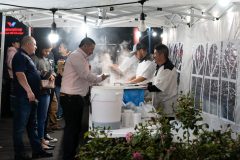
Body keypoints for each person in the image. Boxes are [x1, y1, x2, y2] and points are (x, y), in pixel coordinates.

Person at [60, 37, 109, 160]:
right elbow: (85, 75)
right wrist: (100, 78)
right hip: (71, 98)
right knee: (72, 129)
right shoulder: (77, 56)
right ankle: (68, 156)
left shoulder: (82, 57)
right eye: (91, 48)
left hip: (74, 98)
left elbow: (83, 78)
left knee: (75, 128)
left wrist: (94, 82)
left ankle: (72, 153)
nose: (92, 52)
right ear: (85, 46)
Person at [12, 36, 53, 160]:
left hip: (31, 98)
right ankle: (20, 155)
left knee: (32, 126)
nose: (36, 47)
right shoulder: (19, 56)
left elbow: (33, 74)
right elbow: (20, 74)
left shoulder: (27, 57)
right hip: (24, 98)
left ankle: (37, 151)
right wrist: (29, 91)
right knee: (19, 128)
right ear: (28, 44)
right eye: (34, 44)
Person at [32, 42, 56, 150]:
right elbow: (34, 73)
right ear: (41, 49)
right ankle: (40, 140)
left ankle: (41, 139)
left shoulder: (45, 59)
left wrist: (52, 75)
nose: (47, 53)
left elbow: (51, 71)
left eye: (49, 51)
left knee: (43, 117)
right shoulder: (35, 59)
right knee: (40, 118)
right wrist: (44, 73)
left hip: (47, 91)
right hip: (40, 91)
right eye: (46, 51)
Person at [147, 44, 178, 120]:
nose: (153, 56)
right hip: (160, 105)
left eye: (155, 53)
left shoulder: (168, 69)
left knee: (165, 130)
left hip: (167, 108)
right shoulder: (160, 67)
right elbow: (154, 82)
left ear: (161, 55)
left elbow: (158, 87)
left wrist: (143, 87)